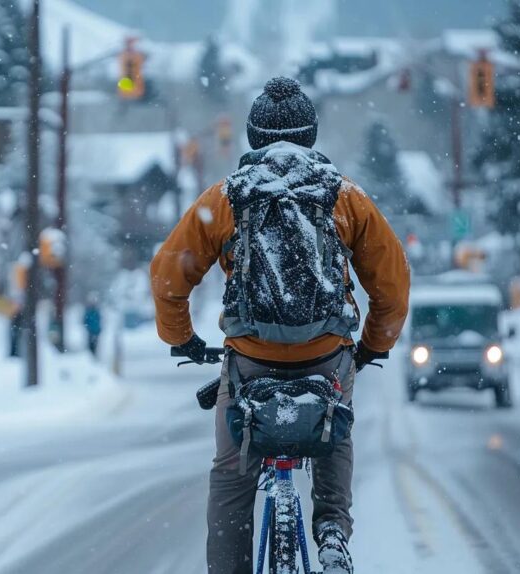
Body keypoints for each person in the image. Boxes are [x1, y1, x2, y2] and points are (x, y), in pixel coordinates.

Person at [150, 77, 410, 574]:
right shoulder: (344, 197)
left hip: (250, 361)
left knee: (231, 475)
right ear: (311, 134)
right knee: (337, 428)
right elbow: (392, 284)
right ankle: (332, 529)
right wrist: (373, 346)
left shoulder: (227, 197)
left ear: (252, 136)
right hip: (326, 353)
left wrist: (181, 337)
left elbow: (169, 276)